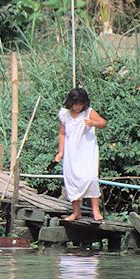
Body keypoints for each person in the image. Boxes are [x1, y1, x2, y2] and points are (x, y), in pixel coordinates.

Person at [54, 87, 107, 221]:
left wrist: (93, 123)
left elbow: (103, 123)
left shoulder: (88, 112)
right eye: (75, 104)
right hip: (72, 152)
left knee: (91, 177)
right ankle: (76, 212)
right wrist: (61, 151)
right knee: (72, 180)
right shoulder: (64, 115)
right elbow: (62, 133)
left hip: (87, 150)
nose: (77, 107)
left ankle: (96, 210)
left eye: (80, 104)